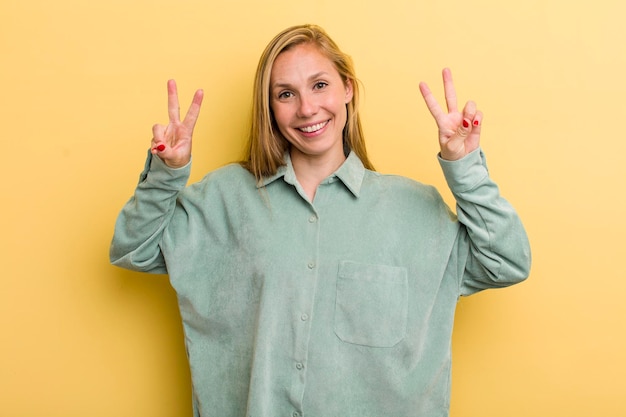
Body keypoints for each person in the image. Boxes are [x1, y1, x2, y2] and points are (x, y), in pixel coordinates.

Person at [110, 24, 531, 417]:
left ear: (348, 88)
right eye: (285, 94)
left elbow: (507, 262)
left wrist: (465, 166)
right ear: (270, 108)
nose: (307, 108)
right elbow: (133, 247)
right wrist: (168, 173)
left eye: (320, 85)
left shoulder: (416, 209)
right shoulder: (223, 199)